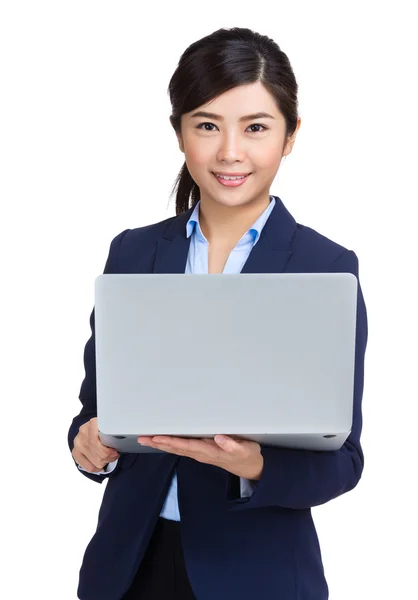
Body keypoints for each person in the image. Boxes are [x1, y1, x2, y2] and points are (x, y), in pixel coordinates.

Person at [69, 26, 368, 600]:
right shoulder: (133, 253)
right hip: (129, 567)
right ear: (180, 132)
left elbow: (344, 459)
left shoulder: (324, 267)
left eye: (256, 127)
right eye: (207, 125)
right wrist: (89, 448)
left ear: (290, 136)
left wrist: (257, 464)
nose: (230, 152)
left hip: (256, 574)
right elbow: (96, 411)